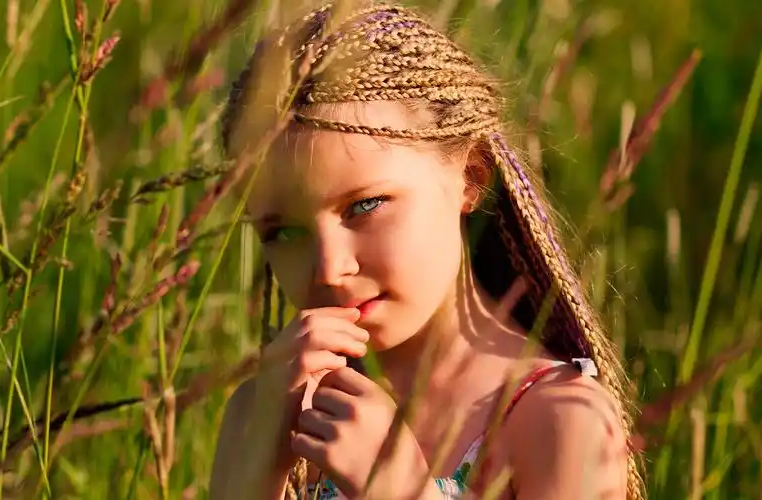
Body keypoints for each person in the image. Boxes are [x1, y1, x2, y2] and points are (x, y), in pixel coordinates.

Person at [210, 2, 642, 499]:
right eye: (283, 233)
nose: (330, 268)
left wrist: (406, 491)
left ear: (471, 176)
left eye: (365, 205)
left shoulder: (562, 422)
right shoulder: (272, 415)